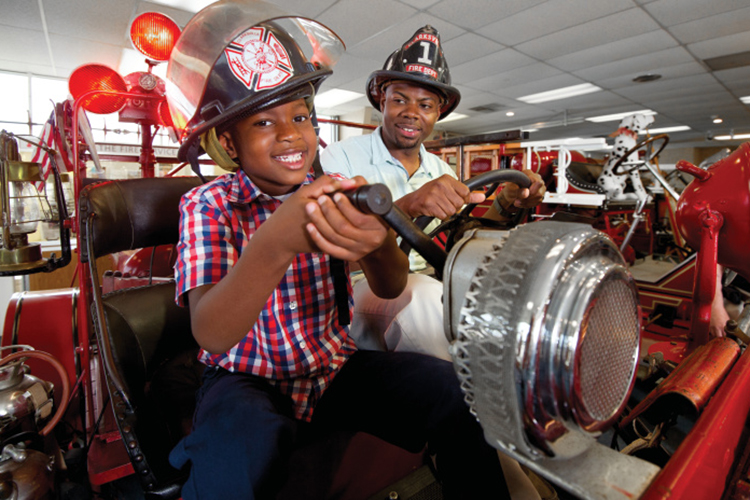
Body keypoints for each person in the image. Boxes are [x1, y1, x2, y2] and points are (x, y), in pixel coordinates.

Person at [164, 2, 511, 499]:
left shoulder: (336, 187)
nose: (290, 134)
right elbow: (213, 334)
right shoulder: (209, 204)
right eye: (263, 123)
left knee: (457, 392)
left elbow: (391, 286)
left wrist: (378, 244)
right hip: (246, 378)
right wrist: (276, 241)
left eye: (301, 116)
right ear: (228, 142)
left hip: (333, 368)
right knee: (237, 461)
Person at [321, 25, 545, 360]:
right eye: (400, 100)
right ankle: (474, 401)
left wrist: (506, 201)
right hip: (355, 285)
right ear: (382, 100)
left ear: (437, 113)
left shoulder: (444, 172)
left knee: (515, 299)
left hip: (432, 278)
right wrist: (407, 206)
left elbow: (458, 241)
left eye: (425, 105)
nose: (412, 112)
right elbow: (329, 252)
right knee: (424, 300)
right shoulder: (339, 157)